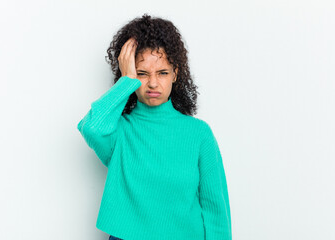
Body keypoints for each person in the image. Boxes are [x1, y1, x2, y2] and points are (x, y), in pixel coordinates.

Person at [77, 13, 232, 240]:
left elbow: (216, 211)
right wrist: (127, 80)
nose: (152, 83)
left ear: (175, 74)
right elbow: (92, 127)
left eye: (162, 73)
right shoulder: (120, 131)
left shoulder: (199, 133)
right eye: (142, 73)